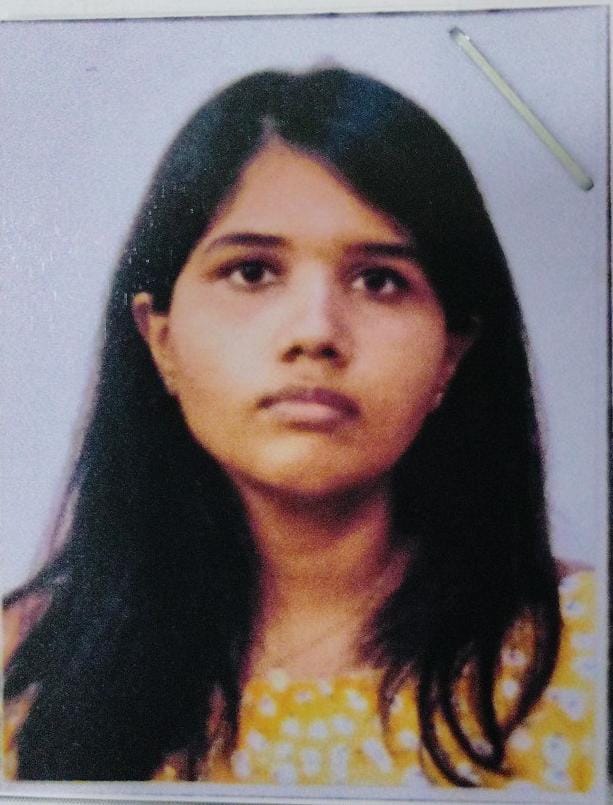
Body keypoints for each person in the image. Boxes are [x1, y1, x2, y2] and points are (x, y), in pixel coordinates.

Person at [3, 67, 595, 790]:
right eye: (252, 272)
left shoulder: (587, 654)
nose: (315, 332)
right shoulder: (21, 673)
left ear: (451, 351)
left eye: (378, 280)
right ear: (160, 339)